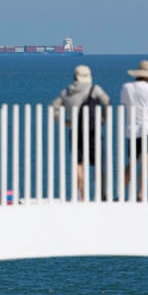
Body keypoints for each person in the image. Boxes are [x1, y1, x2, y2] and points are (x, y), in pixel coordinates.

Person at [51, 65, 110, 201]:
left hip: (75, 130)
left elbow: (54, 107)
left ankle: (81, 195)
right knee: (98, 163)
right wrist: (103, 119)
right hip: (92, 130)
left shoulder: (66, 92)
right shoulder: (94, 89)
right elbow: (107, 102)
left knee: (79, 163)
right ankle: (101, 194)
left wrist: (64, 122)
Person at [120, 60, 148, 201]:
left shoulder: (126, 87)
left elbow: (124, 103)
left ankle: (121, 192)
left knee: (131, 162)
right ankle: (140, 194)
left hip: (131, 129)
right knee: (145, 163)